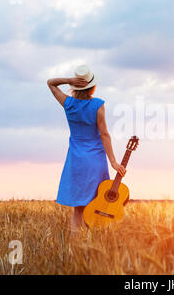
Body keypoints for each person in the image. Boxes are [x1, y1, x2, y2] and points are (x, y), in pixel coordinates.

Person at [47, 65, 126, 232]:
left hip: (76, 159)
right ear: (93, 86)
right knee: (96, 201)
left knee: (78, 207)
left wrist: (68, 80)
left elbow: (50, 83)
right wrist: (113, 161)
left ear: (75, 85)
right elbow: (104, 134)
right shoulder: (98, 105)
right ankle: (91, 244)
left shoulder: (68, 103)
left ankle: (75, 249)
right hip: (95, 159)